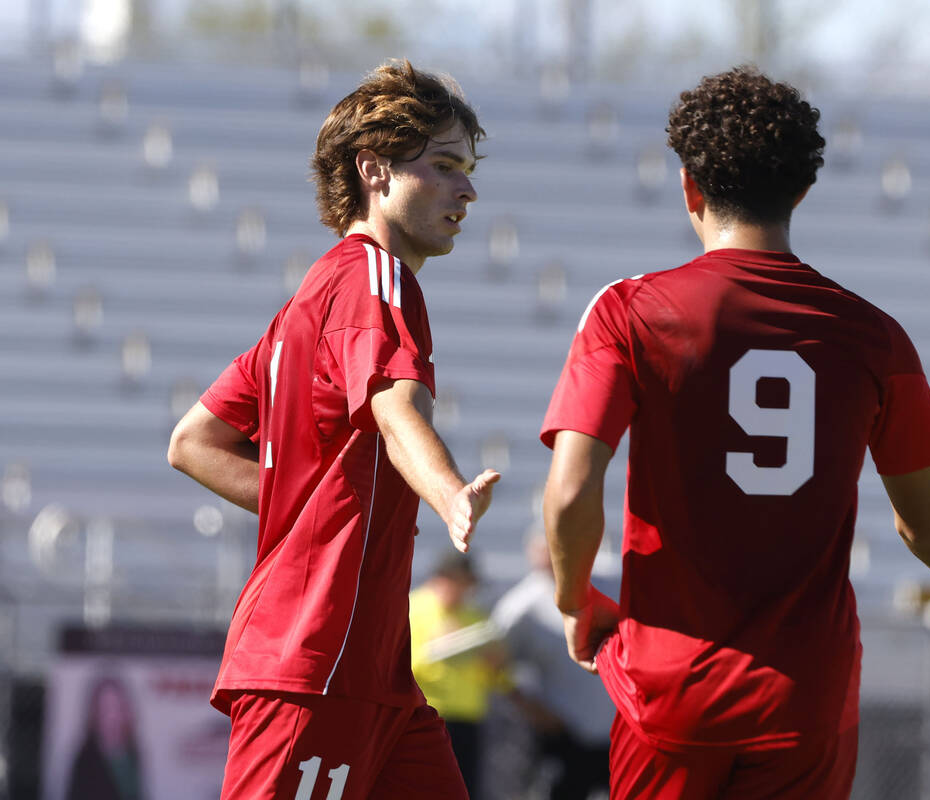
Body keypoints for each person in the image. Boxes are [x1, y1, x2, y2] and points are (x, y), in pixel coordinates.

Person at [538, 66, 930, 800]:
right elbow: (929, 529)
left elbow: (573, 492)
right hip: (804, 697)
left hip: (670, 688)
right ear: (801, 191)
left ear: (689, 188)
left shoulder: (629, 313)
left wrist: (576, 598)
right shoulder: (872, 337)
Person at [167, 60, 500, 800]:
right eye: (444, 166)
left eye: (469, 170)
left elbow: (194, 441)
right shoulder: (375, 280)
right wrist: (448, 494)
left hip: (373, 672)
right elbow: (393, 404)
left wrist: (316, 508)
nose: (468, 190)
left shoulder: (307, 303)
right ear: (374, 170)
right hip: (317, 661)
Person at [491, 530, 613, 800]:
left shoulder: (610, 584)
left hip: (616, 731)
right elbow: (493, 667)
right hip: (563, 734)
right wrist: (531, 708)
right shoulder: (521, 606)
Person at [408, 552, 507, 798]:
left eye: (469, 585)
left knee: (463, 790)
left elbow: (497, 676)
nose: (465, 592)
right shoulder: (411, 608)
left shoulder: (475, 615)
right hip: (423, 715)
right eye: (462, 584)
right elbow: (402, 665)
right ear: (443, 579)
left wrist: (494, 665)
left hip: (467, 720)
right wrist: (438, 649)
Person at [65, 674, 144, 800]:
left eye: (117, 707)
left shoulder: (132, 753)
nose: (112, 716)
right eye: (106, 709)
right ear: (95, 712)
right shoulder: (85, 760)